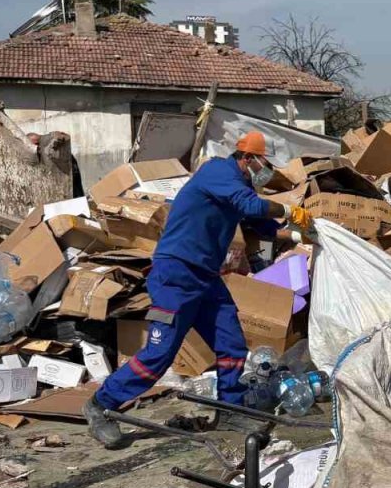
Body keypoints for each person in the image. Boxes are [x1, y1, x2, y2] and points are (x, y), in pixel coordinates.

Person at [82, 132, 313, 449]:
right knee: (159, 355)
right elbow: (249, 205)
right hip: (175, 274)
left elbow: (264, 227)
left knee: (230, 340)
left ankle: (229, 408)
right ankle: (100, 406)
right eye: (266, 164)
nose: (268, 171)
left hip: (205, 277)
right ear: (247, 158)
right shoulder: (218, 171)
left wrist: (306, 236)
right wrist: (288, 210)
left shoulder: (239, 188)